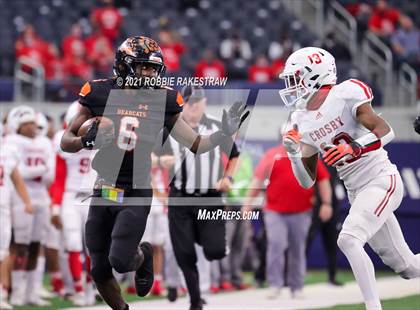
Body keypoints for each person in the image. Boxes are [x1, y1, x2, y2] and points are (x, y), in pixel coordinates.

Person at [60, 36, 249, 310]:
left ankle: (142, 255)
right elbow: (66, 141)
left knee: (121, 260)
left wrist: (223, 133)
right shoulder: (98, 93)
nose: (149, 74)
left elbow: (196, 144)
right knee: (98, 268)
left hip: (136, 190)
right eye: (143, 67)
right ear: (124, 66)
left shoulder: (164, 100)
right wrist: (84, 141)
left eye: (153, 68)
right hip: (102, 189)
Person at [280, 46, 420, 310]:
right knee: (407, 266)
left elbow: (385, 131)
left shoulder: (345, 94)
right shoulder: (301, 119)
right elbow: (306, 181)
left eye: (296, 78)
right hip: (358, 192)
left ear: (314, 76)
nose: (292, 87)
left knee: (348, 239)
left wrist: (354, 147)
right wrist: (293, 154)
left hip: (381, 179)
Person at [153, 85, 240, 310]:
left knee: (215, 251)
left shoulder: (216, 126)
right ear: (183, 103)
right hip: (180, 198)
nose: (193, 106)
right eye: (189, 102)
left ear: (204, 103)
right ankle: (195, 301)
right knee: (184, 254)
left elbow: (234, 155)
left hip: (209, 198)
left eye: (197, 102)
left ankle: (204, 236)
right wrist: (160, 163)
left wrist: (228, 179)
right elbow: (147, 158)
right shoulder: (170, 127)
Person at [244, 142, 331, 299]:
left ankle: (296, 287)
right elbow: (258, 179)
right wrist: (248, 203)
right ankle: (275, 285)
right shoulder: (272, 155)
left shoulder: (308, 154)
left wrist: (326, 203)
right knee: (276, 245)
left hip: (302, 211)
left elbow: (323, 179)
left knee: (297, 249)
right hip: (274, 211)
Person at [5, 106, 55, 306]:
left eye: (33, 123)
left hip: (41, 196)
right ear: (17, 125)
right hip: (20, 197)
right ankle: (16, 291)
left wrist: (37, 171)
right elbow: (19, 172)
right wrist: (40, 170)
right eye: (27, 123)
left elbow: (50, 176)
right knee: (20, 245)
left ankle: (32, 291)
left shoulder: (44, 143)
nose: (32, 127)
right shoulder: (12, 142)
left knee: (37, 244)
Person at [49, 102, 97, 306]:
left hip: (92, 196)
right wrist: (56, 207)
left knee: (93, 246)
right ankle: (78, 287)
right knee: (73, 244)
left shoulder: (103, 137)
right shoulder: (61, 141)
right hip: (70, 195)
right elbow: (59, 178)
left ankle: (90, 286)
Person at [0, 123, 32, 310]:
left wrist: (27, 201)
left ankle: (2, 293)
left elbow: (16, 178)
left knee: (3, 252)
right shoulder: (8, 151)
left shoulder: (8, 152)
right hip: (3, 207)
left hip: (2, 207)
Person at [306, 165, 343, 286]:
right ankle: (297, 274)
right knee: (306, 241)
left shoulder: (336, 165)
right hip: (315, 208)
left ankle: (332, 276)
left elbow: (341, 185)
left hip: (332, 208)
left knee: (332, 243)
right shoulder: (313, 162)